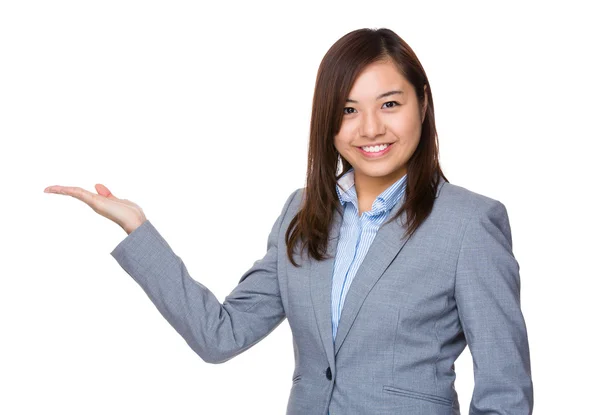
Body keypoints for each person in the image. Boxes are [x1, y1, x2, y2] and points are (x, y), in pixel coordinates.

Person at [44, 27, 533, 414]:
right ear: (328, 120)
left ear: (422, 104)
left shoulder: (470, 223)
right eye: (348, 109)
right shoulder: (303, 212)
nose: (370, 128)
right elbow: (221, 336)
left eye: (390, 104)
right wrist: (138, 229)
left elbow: (505, 394)